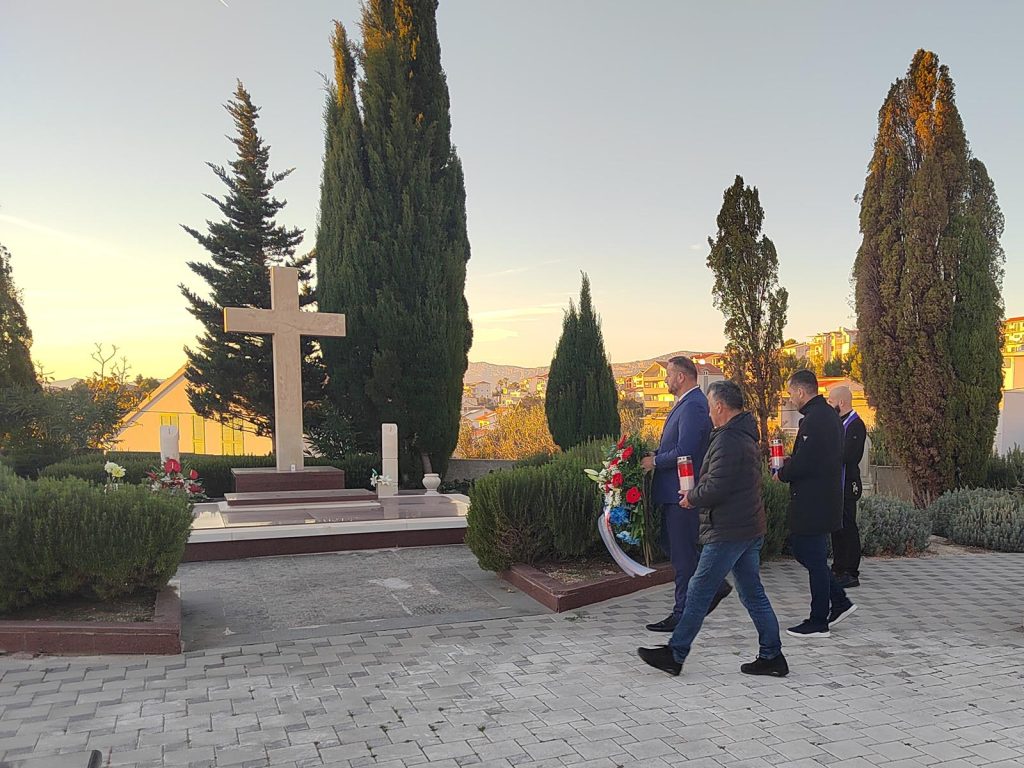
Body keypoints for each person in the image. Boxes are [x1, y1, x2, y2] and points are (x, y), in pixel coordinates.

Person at [637, 380, 788, 677]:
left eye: (709, 407)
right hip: (747, 526)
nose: (708, 414)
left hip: (729, 529)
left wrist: (692, 497)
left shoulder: (729, 439)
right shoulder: (742, 435)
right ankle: (772, 655)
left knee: (699, 590)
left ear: (720, 406)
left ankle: (675, 653)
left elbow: (718, 485)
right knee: (752, 593)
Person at [640, 356, 732, 633]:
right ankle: (715, 586)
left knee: (681, 556)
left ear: (681, 376)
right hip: (673, 492)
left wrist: (656, 462)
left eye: (668, 375)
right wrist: (654, 454)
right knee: (674, 547)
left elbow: (686, 451)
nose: (666, 380)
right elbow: (676, 445)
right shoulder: (686, 403)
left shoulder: (693, 405)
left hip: (682, 491)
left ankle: (682, 613)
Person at [776, 370, 857, 638]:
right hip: (823, 498)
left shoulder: (816, 419)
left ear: (801, 391)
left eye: (791, 393)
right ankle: (840, 602)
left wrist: (783, 472)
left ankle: (818, 620)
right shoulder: (827, 416)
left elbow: (807, 461)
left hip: (814, 501)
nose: (791, 398)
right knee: (808, 554)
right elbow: (815, 456)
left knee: (812, 556)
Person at [827, 384, 867, 589]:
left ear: (841, 402)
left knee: (848, 526)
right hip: (835, 484)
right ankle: (838, 567)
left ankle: (850, 571)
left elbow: (850, 455)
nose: (829, 404)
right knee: (837, 527)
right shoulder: (837, 423)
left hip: (847, 483)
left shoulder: (855, 425)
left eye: (831, 401)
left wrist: (827, 454)